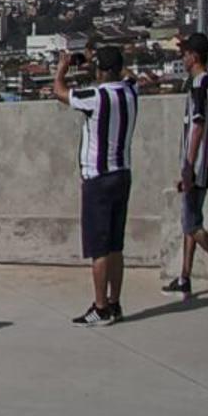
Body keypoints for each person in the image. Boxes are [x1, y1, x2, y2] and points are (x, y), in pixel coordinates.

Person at [52, 43, 140, 327]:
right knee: (115, 244)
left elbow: (60, 92)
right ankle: (115, 302)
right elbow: (131, 76)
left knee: (98, 247)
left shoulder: (97, 96)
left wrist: (63, 68)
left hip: (98, 178)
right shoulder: (130, 92)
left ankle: (101, 307)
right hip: (122, 173)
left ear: (101, 71)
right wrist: (102, 60)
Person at [165, 33, 208, 300]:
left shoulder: (200, 84)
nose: (183, 57)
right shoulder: (204, 83)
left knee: (192, 223)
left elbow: (198, 125)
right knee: (190, 221)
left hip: (197, 165)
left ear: (194, 56)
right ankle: (185, 276)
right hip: (198, 164)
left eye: (185, 53)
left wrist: (188, 165)